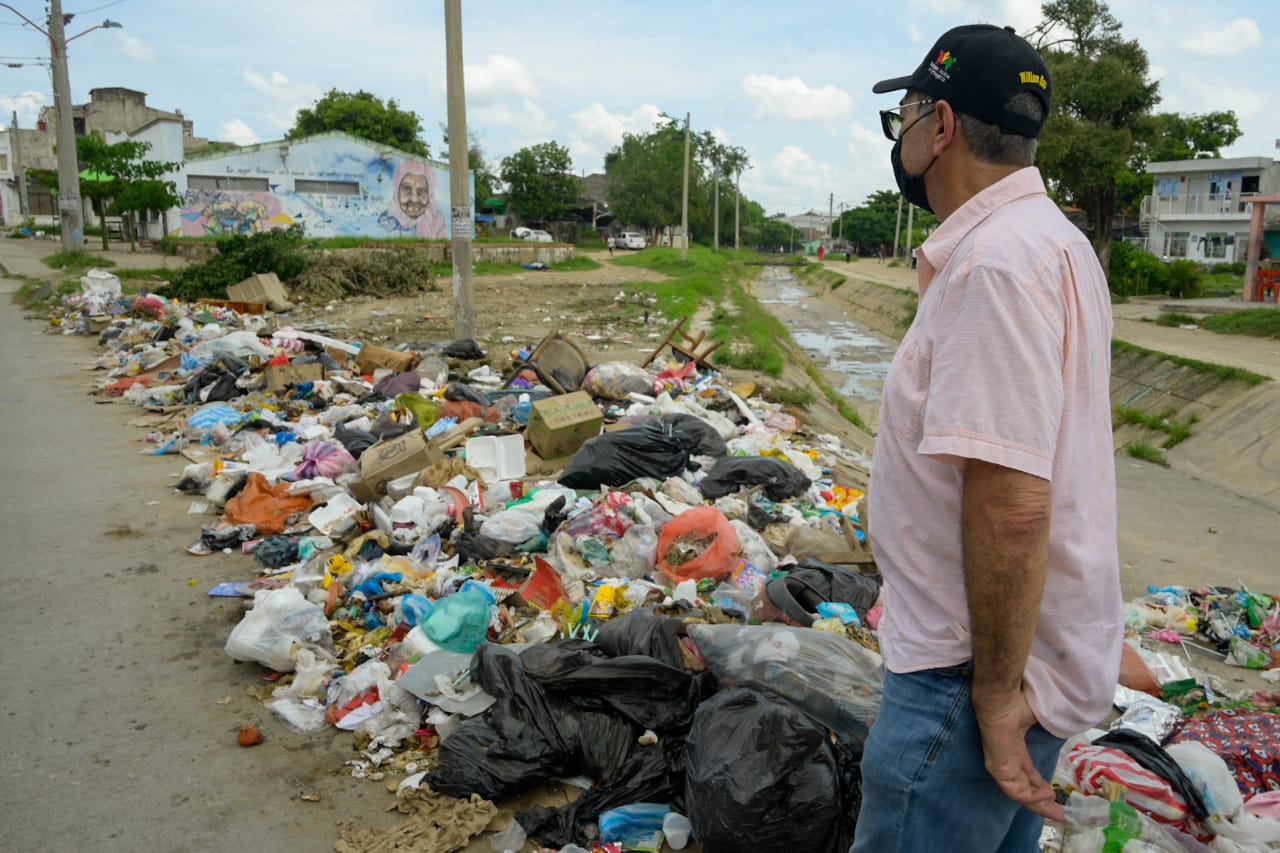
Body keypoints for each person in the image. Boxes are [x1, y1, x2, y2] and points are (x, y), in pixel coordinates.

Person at [853, 24, 1122, 852]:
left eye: (903, 116)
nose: (899, 138)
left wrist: (997, 697)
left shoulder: (992, 267)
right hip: (1013, 663)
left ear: (939, 127)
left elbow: (1012, 504)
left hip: (966, 682)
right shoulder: (1057, 245)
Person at [380, 159, 447, 238]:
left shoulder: (436, 223)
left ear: (430, 195)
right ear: (396, 191)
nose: (414, 199)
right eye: (406, 189)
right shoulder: (384, 222)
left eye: (422, 191)